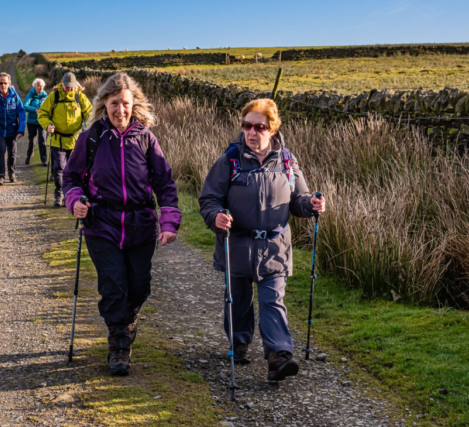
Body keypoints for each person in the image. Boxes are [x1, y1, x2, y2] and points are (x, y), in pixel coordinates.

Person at [62, 72, 182, 376]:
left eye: (125, 103)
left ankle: (128, 320)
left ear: (133, 104)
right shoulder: (91, 138)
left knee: (139, 286)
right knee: (113, 284)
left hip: (141, 224)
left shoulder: (145, 138)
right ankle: (118, 345)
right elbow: (72, 177)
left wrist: (168, 221)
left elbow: (165, 183)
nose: (120, 110)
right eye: (114, 103)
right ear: (104, 104)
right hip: (101, 223)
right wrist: (75, 200)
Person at [199, 98, 326, 382]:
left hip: (274, 247)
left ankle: (279, 356)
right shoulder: (229, 160)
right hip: (238, 245)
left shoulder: (286, 161)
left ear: (272, 129)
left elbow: (298, 200)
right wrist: (217, 217)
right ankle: (239, 342)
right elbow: (208, 199)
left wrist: (312, 204)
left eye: (259, 126)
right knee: (238, 300)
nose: (252, 132)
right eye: (247, 126)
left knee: (273, 301)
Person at [38, 72, 92, 207]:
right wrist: (48, 126)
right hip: (58, 140)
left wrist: (92, 130)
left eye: (72, 86)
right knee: (59, 170)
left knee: (78, 170)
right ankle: (59, 195)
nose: (69, 89)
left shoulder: (80, 97)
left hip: (77, 141)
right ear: (62, 84)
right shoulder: (54, 96)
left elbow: (91, 115)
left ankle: (77, 196)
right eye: (67, 86)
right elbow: (42, 114)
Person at [23, 78, 48, 166]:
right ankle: (29, 156)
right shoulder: (31, 95)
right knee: (32, 141)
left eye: (42, 86)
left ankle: (44, 160)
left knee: (42, 140)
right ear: (34, 86)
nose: (40, 87)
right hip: (31, 121)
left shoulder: (46, 96)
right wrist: (35, 110)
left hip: (42, 121)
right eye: (38, 85)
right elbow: (25, 106)